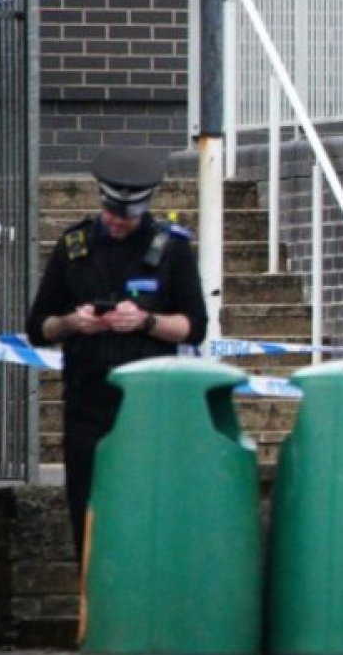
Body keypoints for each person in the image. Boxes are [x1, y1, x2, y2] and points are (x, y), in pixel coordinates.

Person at [26, 149, 208, 559]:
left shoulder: (171, 250)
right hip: (87, 405)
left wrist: (145, 322)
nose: (117, 222)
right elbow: (38, 328)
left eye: (126, 217)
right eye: (111, 213)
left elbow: (194, 326)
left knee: (145, 513)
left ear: (143, 210)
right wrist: (73, 322)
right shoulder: (73, 247)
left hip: (149, 409)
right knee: (87, 516)